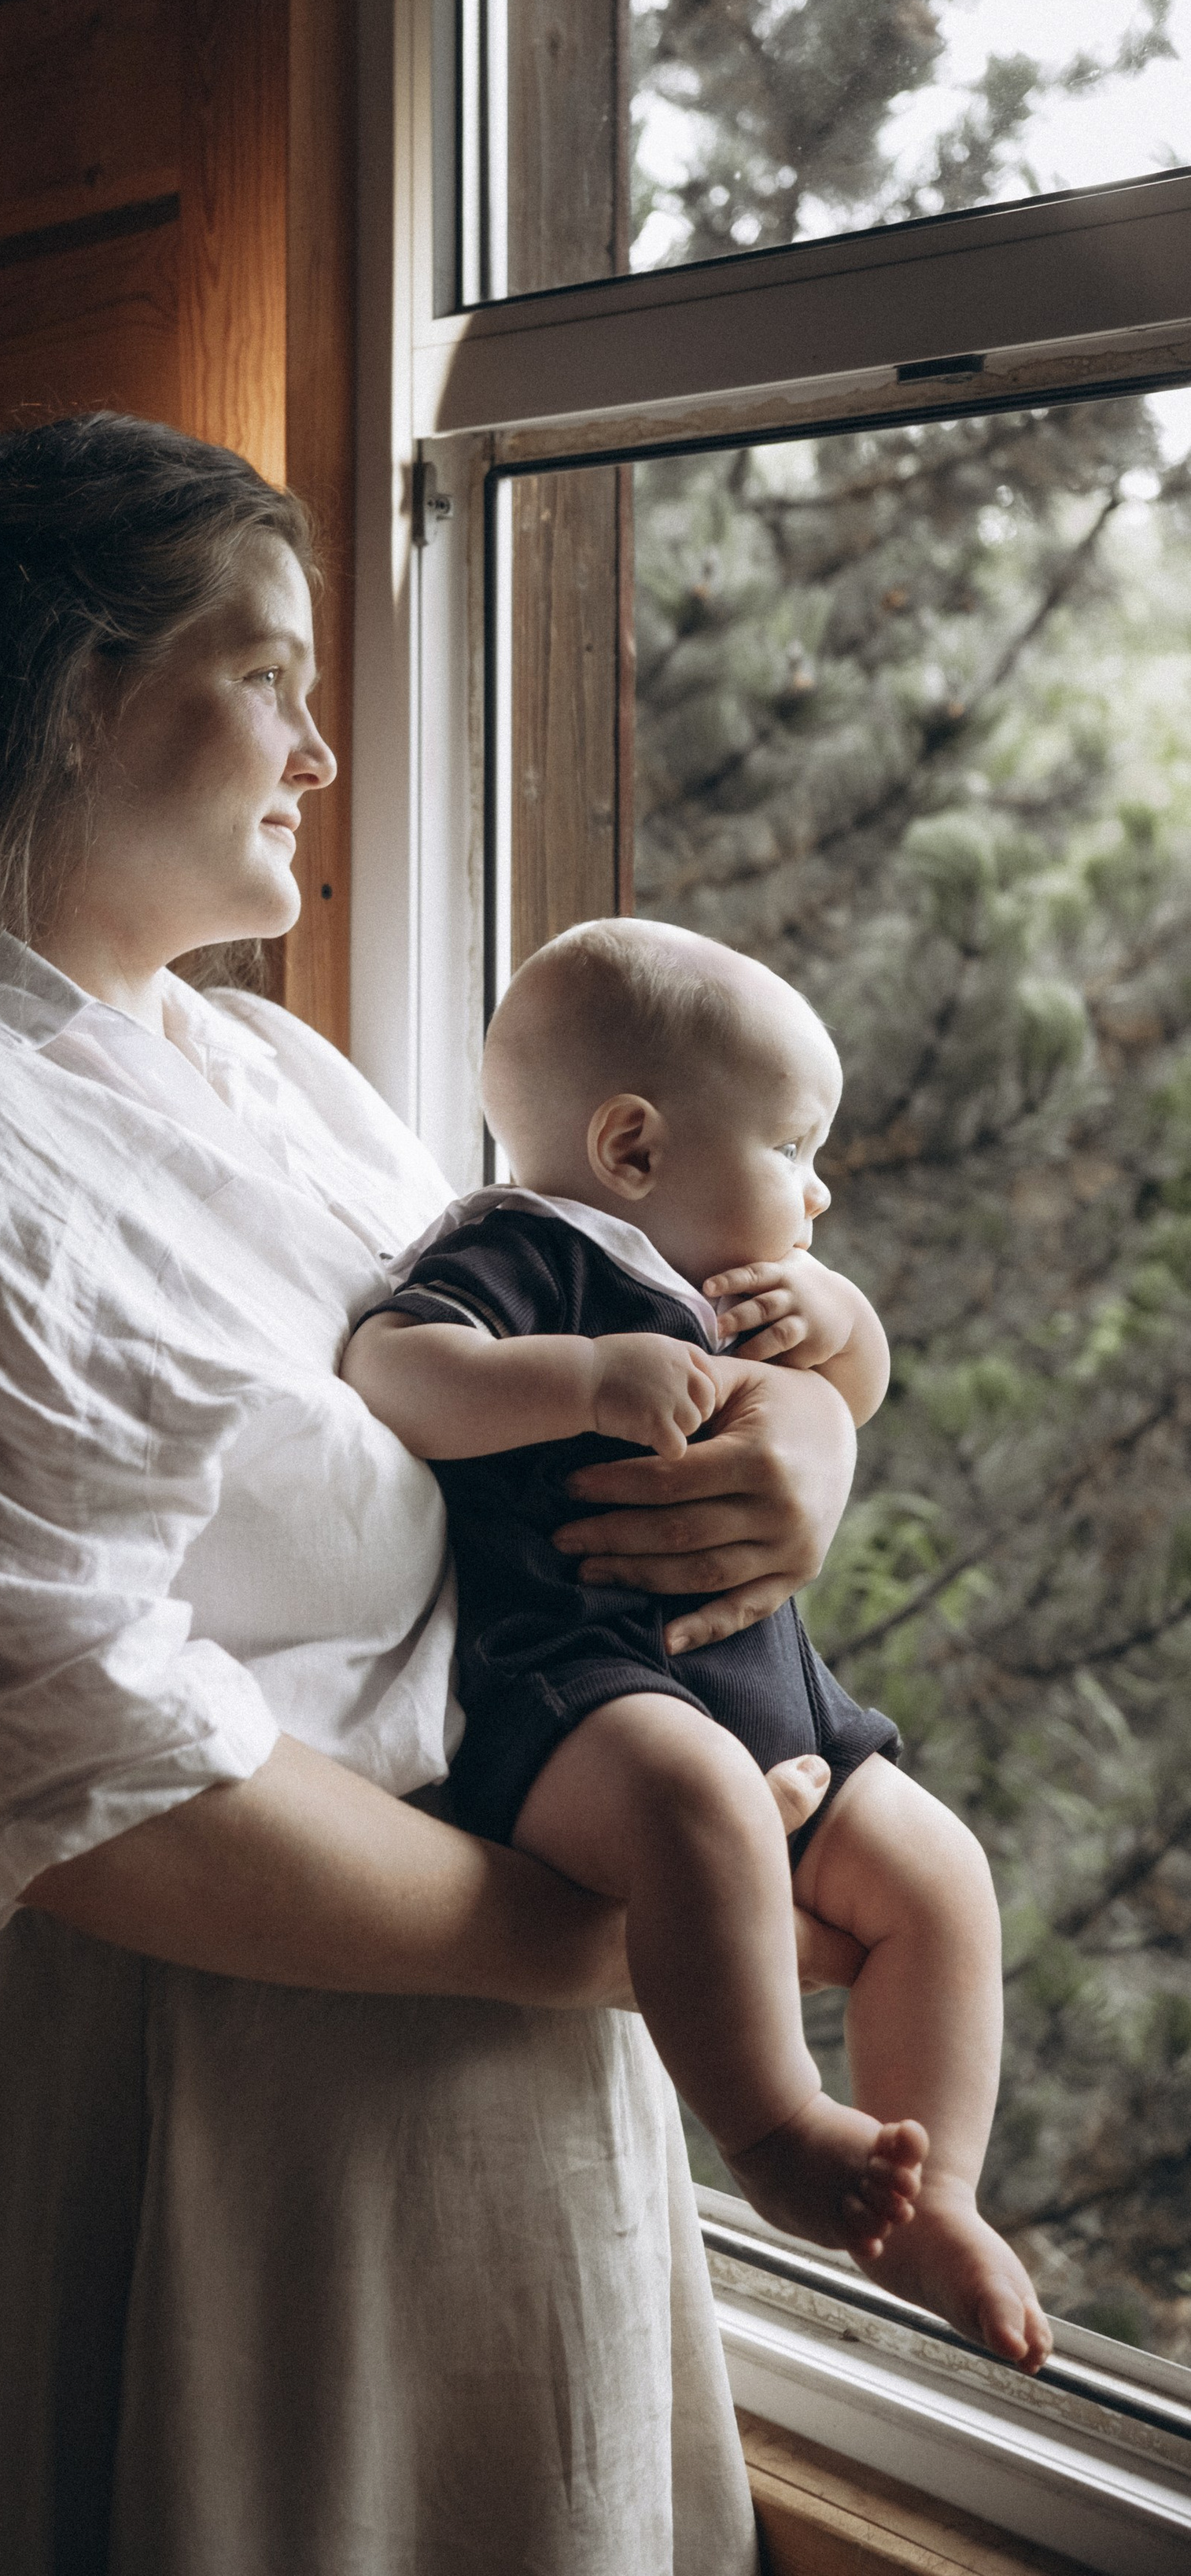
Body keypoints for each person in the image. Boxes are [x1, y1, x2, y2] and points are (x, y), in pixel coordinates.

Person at [0, 416, 872, 2575]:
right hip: (190, 2173)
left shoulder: (275, 1078)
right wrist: (613, 1946)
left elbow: (559, 1351)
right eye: (267, 676)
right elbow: (77, 1780)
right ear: (63, 698)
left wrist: (799, 1433)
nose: (320, 755)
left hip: (475, 2140)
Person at [343, 920, 1052, 2371]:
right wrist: (586, 1380)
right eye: (793, 1148)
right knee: (701, 1803)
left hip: (768, 1689)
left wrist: (844, 1319)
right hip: (579, 1694)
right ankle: (776, 2130)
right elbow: (394, 1369)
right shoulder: (525, 1250)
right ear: (633, 1148)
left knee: (941, 1877)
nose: (818, 1189)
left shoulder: (738, 1283)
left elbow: (856, 1382)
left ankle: (939, 2200)